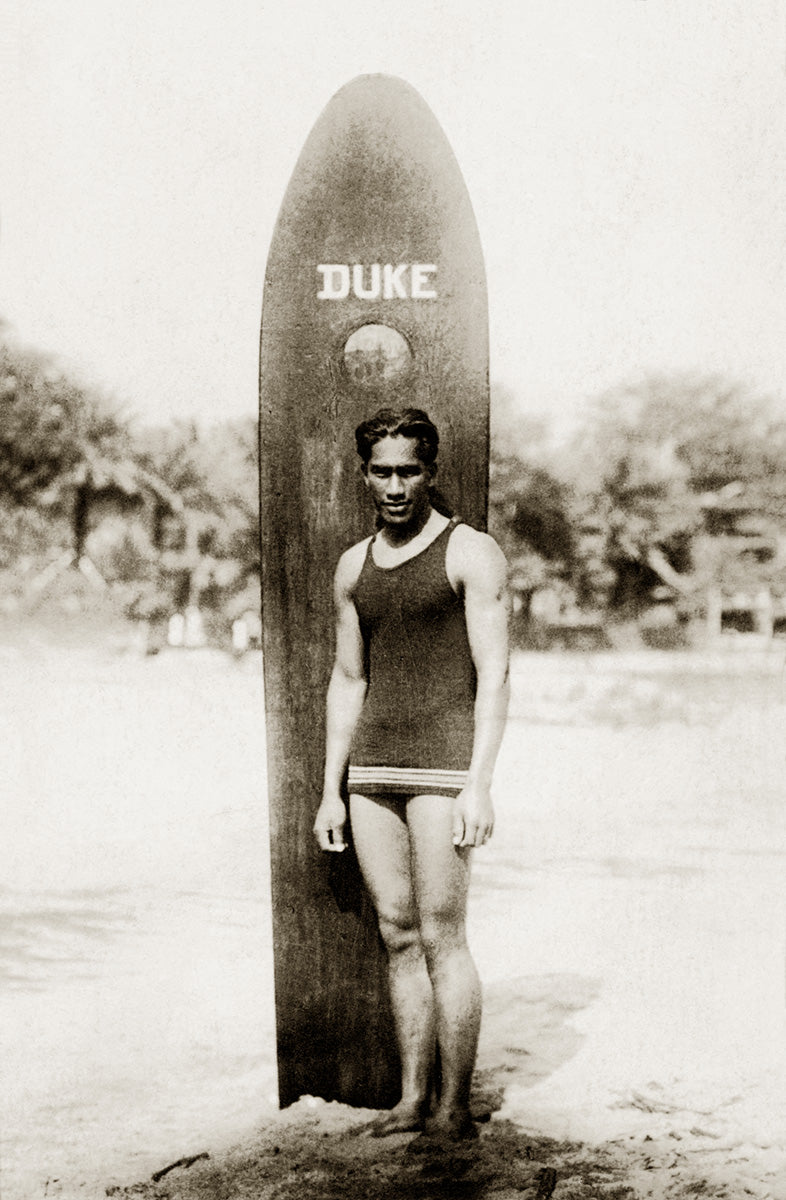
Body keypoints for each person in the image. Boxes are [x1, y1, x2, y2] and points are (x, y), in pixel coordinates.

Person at [313, 406, 510, 1141]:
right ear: (364, 474)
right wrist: (331, 789)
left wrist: (479, 781)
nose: (395, 485)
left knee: (442, 934)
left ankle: (454, 1108)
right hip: (371, 773)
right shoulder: (352, 565)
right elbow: (347, 680)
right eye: (382, 471)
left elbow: (495, 675)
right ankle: (409, 1100)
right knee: (396, 934)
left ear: (430, 471)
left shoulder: (470, 552)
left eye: (409, 471)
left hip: (441, 769)